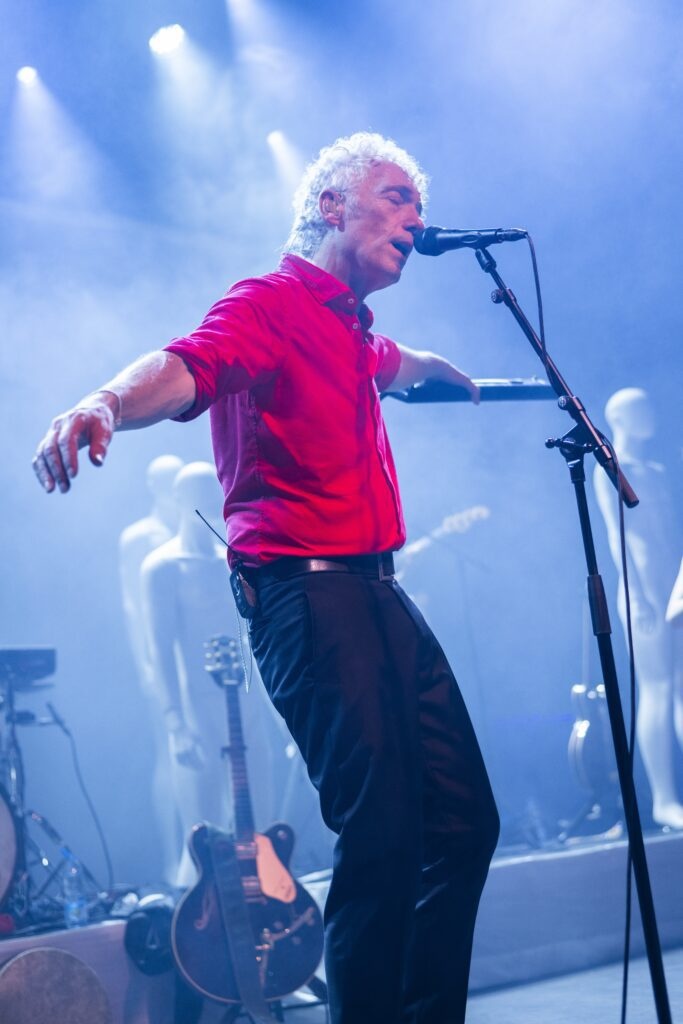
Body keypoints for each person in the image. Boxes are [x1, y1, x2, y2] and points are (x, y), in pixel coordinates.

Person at [33, 132, 499, 1024]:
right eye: (397, 198)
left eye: (419, 206)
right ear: (331, 205)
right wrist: (105, 402)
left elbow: (390, 363)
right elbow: (187, 364)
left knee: (462, 821)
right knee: (383, 831)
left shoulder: (350, 328)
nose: (416, 220)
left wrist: (436, 371)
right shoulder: (270, 301)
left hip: (375, 589)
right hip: (307, 593)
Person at [139, 460, 285, 886]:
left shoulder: (238, 560)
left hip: (248, 710)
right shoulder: (162, 567)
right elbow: (160, 651)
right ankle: (199, 915)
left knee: (260, 821)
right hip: (198, 715)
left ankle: (267, 909)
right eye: (197, 494)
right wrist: (176, 725)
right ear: (178, 499)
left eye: (213, 493)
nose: (207, 503)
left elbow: (261, 641)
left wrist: (283, 717)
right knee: (202, 834)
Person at [594, 387, 683, 829]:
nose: (650, 415)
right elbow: (620, 535)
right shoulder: (610, 468)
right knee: (658, 687)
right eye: (639, 409)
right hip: (642, 591)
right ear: (620, 419)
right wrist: (642, 595)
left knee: (681, 685)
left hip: (673, 587)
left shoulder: (657, 471)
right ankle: (663, 799)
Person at [119, 453, 185, 884]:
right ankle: (172, 857)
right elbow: (132, 606)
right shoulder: (139, 537)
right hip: (161, 659)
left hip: (195, 658)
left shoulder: (190, 530)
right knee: (169, 754)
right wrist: (146, 664)